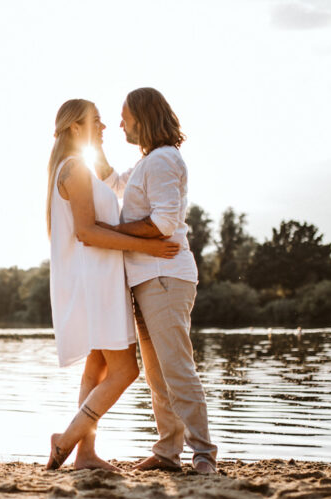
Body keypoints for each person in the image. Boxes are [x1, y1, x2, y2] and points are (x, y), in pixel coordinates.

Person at [45, 99, 180, 471]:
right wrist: (149, 245)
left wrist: (98, 147)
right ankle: (68, 439)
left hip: (99, 279)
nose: (105, 127)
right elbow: (88, 232)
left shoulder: (79, 166)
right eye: (97, 122)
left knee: (99, 365)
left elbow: (111, 189)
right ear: (76, 128)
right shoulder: (73, 168)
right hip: (96, 282)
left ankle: (85, 456)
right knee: (126, 371)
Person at [94, 87, 219, 474]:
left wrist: (111, 230)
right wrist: (91, 145)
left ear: (143, 117)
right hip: (148, 277)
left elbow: (165, 223)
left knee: (176, 367)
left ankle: (202, 454)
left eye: (125, 116)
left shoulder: (163, 161)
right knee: (156, 372)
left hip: (165, 276)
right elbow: (114, 182)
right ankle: (167, 452)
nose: (120, 124)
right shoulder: (150, 163)